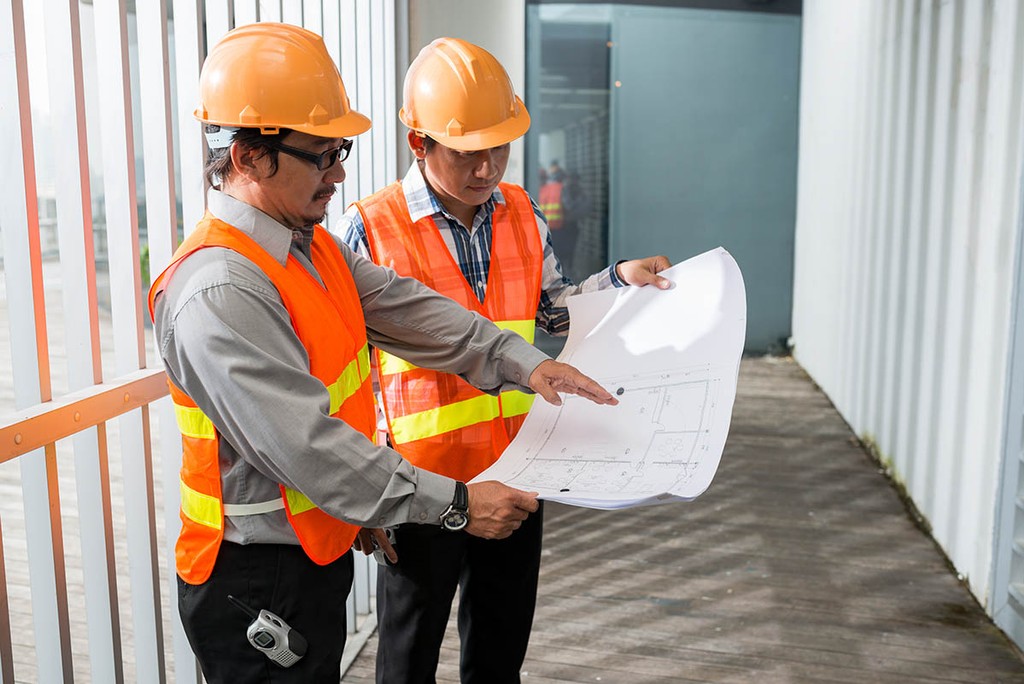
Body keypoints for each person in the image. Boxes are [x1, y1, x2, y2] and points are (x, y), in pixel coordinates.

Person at [148, 24, 620, 684]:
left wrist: (524, 360)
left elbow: (410, 311)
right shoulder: (220, 288)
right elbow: (308, 446)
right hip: (254, 575)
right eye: (322, 155)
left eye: (340, 150)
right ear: (250, 157)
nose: (340, 172)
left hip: (318, 545)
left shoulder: (309, 249)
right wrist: (456, 504)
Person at [336, 37, 671, 684]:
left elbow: (553, 311)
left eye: (500, 147)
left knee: (498, 656)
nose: (487, 167)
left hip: (518, 470)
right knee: (406, 661)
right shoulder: (366, 229)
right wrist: (364, 489)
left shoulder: (522, 212)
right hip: (421, 487)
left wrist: (619, 281)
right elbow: (342, 371)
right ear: (418, 144)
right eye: (467, 152)